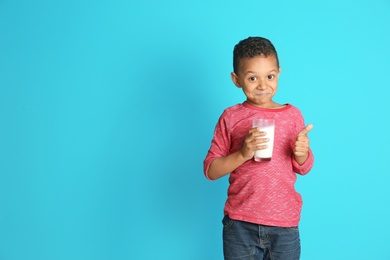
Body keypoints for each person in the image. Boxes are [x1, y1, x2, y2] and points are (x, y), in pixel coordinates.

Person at [203, 36, 314, 260]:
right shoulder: (231, 117)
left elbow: (303, 167)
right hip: (240, 224)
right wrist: (243, 154)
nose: (263, 86)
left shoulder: (292, 116)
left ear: (279, 73)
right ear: (236, 80)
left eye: (270, 76)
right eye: (252, 78)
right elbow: (211, 171)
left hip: (284, 224)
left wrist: (302, 154)